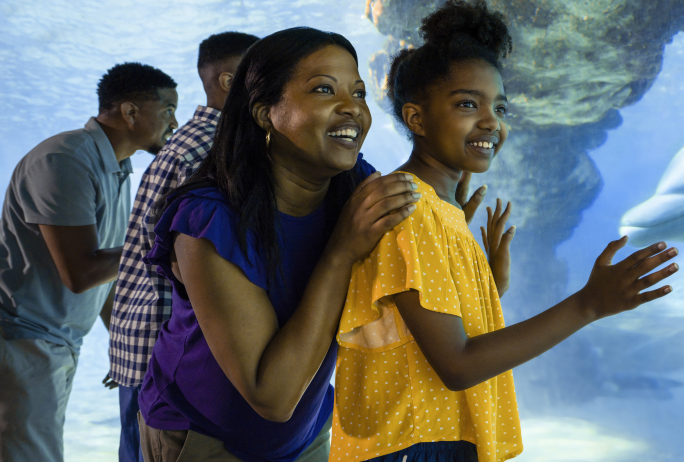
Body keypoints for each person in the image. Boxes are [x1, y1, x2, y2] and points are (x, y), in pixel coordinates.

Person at [331, 0, 679, 462]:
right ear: (417, 118)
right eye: (467, 104)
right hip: (414, 447)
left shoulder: (441, 207)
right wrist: (589, 303)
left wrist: (489, 284)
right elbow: (456, 365)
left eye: (500, 106)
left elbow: (421, 331)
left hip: (432, 440)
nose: (492, 121)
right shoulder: (410, 210)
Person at [135, 26, 486, 462]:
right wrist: (341, 252)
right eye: (324, 89)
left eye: (358, 93)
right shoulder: (208, 222)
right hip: (207, 438)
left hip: (311, 428)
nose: (351, 109)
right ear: (265, 113)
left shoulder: (355, 184)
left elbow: (409, 318)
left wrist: (456, 260)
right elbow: (272, 397)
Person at [0, 62, 178, 462]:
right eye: (167, 109)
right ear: (130, 113)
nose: (175, 122)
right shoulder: (65, 160)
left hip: (53, 344)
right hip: (21, 342)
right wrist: (167, 241)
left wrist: (124, 348)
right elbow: (81, 272)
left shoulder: (116, 170)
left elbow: (109, 274)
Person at [108, 31, 260, 462]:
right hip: (164, 348)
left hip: (145, 339)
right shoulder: (213, 147)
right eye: (266, 72)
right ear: (230, 82)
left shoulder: (192, 140)